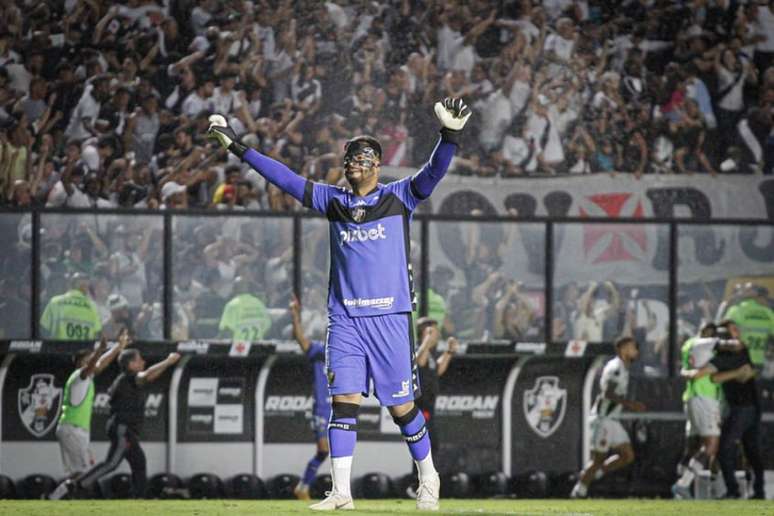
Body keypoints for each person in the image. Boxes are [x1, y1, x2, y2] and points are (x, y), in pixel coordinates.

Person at [207, 96, 471, 511]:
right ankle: (341, 493)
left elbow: (435, 171)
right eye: (349, 157)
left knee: (402, 409)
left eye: (361, 157)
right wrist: (239, 148)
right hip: (345, 319)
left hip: (390, 317)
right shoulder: (334, 201)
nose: (352, 163)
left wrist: (450, 135)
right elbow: (286, 179)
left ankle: (429, 477)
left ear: (378, 166)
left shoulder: (400, 196)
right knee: (342, 401)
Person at [49, 348, 181, 500]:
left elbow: (146, 376)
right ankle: (74, 486)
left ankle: (139, 499)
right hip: (122, 429)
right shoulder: (128, 378)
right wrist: (168, 361)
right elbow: (147, 375)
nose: (143, 361)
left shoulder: (126, 379)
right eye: (139, 359)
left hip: (126, 430)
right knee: (111, 463)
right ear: (131, 364)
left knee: (139, 462)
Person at [571, 336, 646, 499]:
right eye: (633, 347)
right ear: (623, 349)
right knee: (598, 458)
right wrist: (630, 404)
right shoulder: (615, 367)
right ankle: (579, 491)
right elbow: (607, 393)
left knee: (627, 455)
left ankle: (594, 474)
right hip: (602, 419)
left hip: (612, 420)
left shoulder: (623, 368)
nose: (636, 351)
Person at [700, 320, 765, 499]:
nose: (736, 336)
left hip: (743, 408)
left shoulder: (734, 353)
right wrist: (737, 374)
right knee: (750, 451)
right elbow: (720, 376)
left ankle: (735, 490)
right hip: (744, 407)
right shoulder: (729, 353)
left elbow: (715, 377)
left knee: (727, 449)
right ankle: (755, 491)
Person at [55, 332, 129, 478]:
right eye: (89, 360)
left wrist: (118, 347)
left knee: (80, 472)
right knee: (82, 473)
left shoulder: (87, 378)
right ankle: (60, 497)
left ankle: (55, 497)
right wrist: (99, 350)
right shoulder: (79, 376)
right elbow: (92, 366)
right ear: (80, 363)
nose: (93, 363)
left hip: (76, 430)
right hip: (72, 429)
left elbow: (102, 363)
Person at [672, 322, 730, 499]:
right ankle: (683, 484)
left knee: (695, 447)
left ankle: (719, 490)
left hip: (694, 397)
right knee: (711, 445)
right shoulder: (701, 343)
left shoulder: (689, 345)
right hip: (704, 397)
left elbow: (685, 368)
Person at [407, 316, 458, 498]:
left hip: (429, 406)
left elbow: (437, 369)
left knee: (432, 445)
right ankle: (416, 484)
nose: (438, 334)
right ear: (425, 332)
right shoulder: (417, 350)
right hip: (419, 408)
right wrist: (427, 341)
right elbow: (418, 363)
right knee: (422, 445)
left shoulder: (430, 353)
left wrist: (449, 352)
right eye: (434, 331)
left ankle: (425, 483)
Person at [289, 294, 332, 501]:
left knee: (335, 451)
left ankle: (305, 487)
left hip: (340, 407)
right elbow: (301, 339)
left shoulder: (348, 355)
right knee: (324, 449)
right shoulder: (319, 350)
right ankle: (303, 487)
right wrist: (295, 316)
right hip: (322, 408)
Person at [40, 272, 102, 340]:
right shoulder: (93, 306)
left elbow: (43, 329)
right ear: (86, 289)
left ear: (69, 286)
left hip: (57, 348)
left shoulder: (55, 302)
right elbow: (97, 332)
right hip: (85, 349)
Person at [723, 284, 774, 368]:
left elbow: (724, 331)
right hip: (760, 360)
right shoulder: (768, 312)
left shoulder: (735, 310)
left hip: (739, 360)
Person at [217, 276, 272, 341]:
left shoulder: (232, 305)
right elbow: (267, 326)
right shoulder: (259, 303)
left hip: (239, 348)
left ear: (234, 289)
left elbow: (226, 330)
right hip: (257, 347)